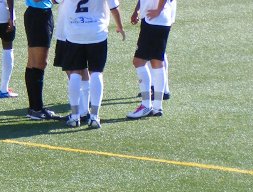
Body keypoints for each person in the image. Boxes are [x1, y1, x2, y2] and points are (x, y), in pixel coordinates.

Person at [63, 0, 125, 128]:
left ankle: (75, 116)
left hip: (74, 33)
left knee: (75, 73)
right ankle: (94, 117)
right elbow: (114, 8)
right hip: (97, 33)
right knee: (96, 72)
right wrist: (120, 27)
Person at [126, 0, 175, 119]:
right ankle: (157, 107)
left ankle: (146, 105)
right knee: (156, 61)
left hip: (154, 20)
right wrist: (137, 10)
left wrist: (158, 10)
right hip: (158, 20)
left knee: (139, 61)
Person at [23, 0, 61, 119]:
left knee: (33, 63)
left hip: (39, 14)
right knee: (38, 63)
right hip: (39, 16)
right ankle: (37, 109)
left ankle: (34, 108)